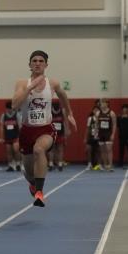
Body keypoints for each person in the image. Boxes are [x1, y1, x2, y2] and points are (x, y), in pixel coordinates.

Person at [11, 50, 76, 207]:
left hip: (45, 129)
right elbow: (14, 106)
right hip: (27, 131)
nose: (37, 63)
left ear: (46, 65)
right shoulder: (22, 83)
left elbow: (63, 95)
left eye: (41, 61)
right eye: (34, 61)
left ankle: (39, 193)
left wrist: (69, 113)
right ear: (29, 64)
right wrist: (29, 88)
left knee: (39, 150)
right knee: (29, 173)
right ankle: (33, 184)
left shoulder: (52, 83)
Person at [95, 99, 116, 172]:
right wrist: (95, 133)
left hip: (108, 133)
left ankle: (110, 165)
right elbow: (96, 124)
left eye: (103, 103)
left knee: (109, 149)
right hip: (101, 133)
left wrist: (113, 134)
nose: (102, 105)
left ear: (107, 104)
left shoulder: (112, 113)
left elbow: (114, 124)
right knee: (102, 150)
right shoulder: (98, 113)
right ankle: (105, 165)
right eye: (101, 103)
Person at [1, 101, 22, 172]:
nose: (9, 110)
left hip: (15, 136)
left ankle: (18, 164)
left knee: (16, 150)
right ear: (6, 109)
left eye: (10, 108)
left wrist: (20, 136)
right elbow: (1, 127)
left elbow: (20, 126)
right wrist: (2, 137)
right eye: (8, 108)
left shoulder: (17, 115)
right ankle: (11, 165)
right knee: (9, 151)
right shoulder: (3, 116)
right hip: (7, 136)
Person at [50, 100, 67, 171]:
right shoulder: (49, 112)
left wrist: (66, 131)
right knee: (52, 149)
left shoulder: (62, 111)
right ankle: (51, 163)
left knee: (59, 149)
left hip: (60, 133)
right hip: (52, 133)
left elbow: (65, 122)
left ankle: (59, 163)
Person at [117, 103, 128, 170]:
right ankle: (120, 163)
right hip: (121, 136)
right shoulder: (119, 117)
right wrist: (121, 118)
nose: (125, 110)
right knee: (121, 150)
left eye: (126, 109)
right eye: (124, 108)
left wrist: (125, 118)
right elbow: (118, 125)